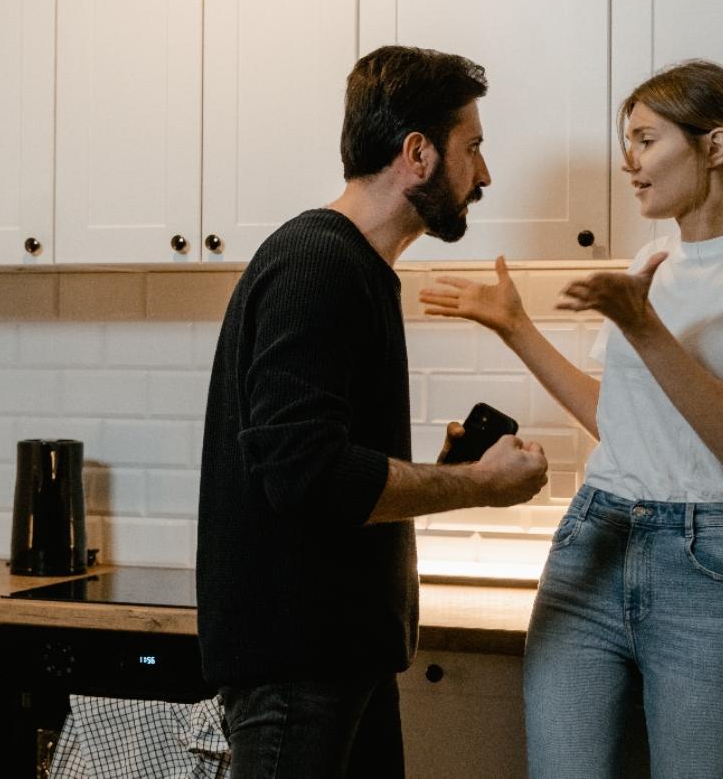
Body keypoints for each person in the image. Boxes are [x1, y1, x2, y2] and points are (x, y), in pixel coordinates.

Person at [420, 60, 723, 778]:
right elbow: (619, 421)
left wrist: (642, 325)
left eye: (645, 140)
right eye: (628, 143)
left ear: (715, 147)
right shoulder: (653, 258)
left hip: (704, 562)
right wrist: (515, 326)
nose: (628, 162)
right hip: (593, 538)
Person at [197, 45, 551, 779]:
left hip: (334, 664)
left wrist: (442, 475)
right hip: (300, 671)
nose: (483, 174)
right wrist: (480, 486)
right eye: (473, 147)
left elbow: (320, 470)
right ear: (418, 153)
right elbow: (306, 476)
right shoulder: (318, 266)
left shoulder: (352, 268)